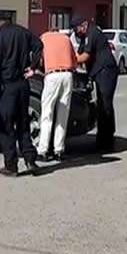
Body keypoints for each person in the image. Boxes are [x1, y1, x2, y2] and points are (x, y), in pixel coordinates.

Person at [0, 16, 43, 177]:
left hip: (8, 87)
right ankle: (30, 160)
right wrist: (33, 67)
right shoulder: (23, 32)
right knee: (23, 124)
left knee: (5, 126)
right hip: (23, 85)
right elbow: (39, 45)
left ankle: (11, 165)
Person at [73, 16, 118, 152]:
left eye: (77, 29)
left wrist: (68, 61)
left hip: (106, 71)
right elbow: (79, 54)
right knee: (101, 105)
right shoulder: (85, 36)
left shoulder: (92, 32)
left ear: (83, 25)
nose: (76, 32)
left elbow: (84, 56)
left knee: (105, 105)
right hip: (98, 72)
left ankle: (108, 139)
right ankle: (103, 138)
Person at [36, 27, 78, 162]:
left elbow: (39, 59)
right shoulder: (66, 39)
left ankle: (43, 150)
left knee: (47, 113)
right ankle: (58, 150)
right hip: (67, 75)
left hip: (52, 76)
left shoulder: (43, 38)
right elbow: (74, 60)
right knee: (62, 114)